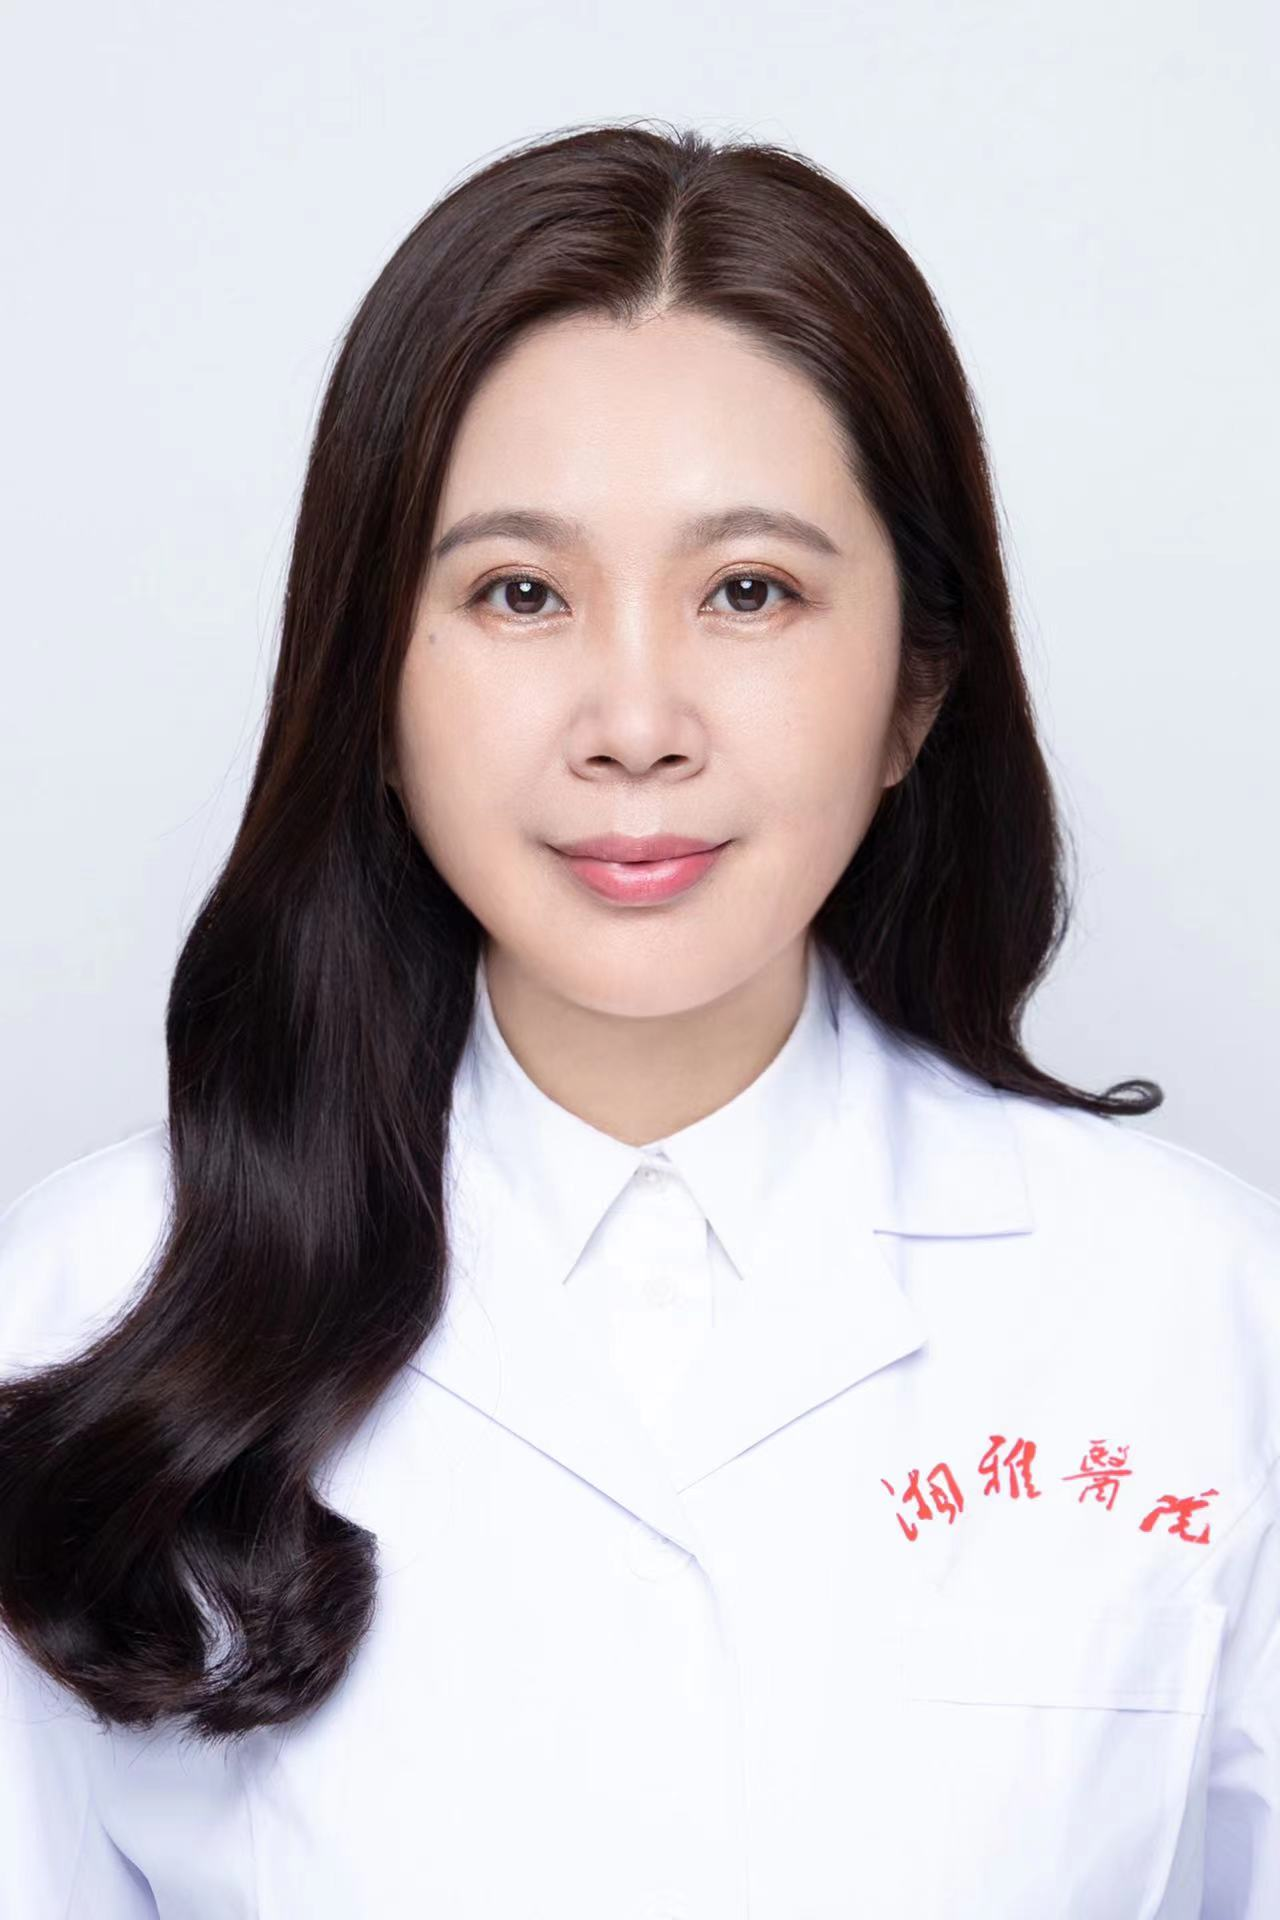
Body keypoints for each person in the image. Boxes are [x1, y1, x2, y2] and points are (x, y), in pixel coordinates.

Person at [1, 118, 1276, 1920]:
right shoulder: (77, 1313)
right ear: (371, 683)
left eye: (749, 593)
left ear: (917, 686)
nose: (635, 723)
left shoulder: (1202, 1315)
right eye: (519, 594)